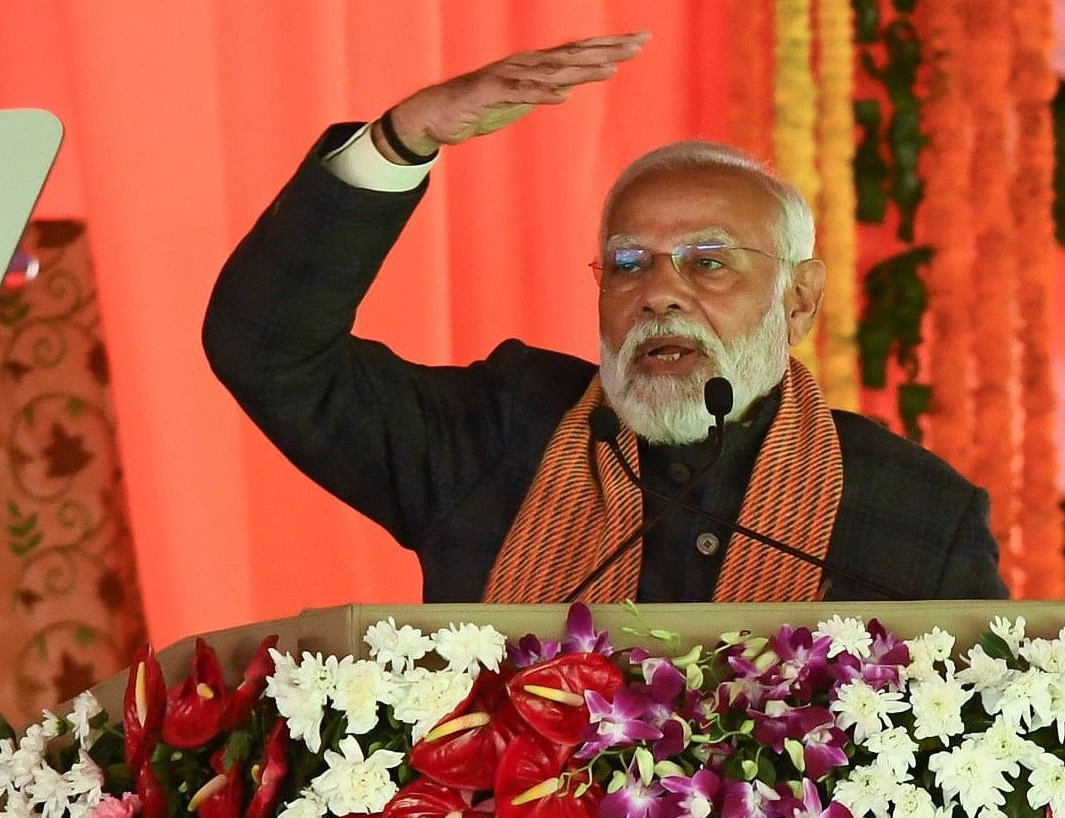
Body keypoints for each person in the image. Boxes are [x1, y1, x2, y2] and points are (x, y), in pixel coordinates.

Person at [204, 33, 1006, 604]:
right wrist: (400, 140)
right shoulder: (502, 433)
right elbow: (270, 352)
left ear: (798, 298)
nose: (660, 292)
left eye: (708, 261)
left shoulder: (918, 514)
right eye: (628, 263)